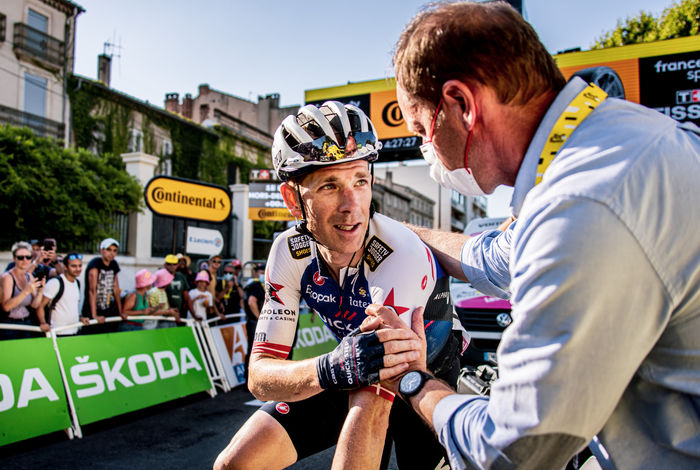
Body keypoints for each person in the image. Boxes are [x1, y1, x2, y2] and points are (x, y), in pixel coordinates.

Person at [361, 2, 700, 469]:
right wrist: (388, 229)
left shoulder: (580, 203)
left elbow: (513, 450)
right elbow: (495, 257)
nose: (425, 150)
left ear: (462, 105)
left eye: (422, 128)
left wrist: (417, 382)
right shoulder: (611, 141)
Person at [214, 101, 465, 470]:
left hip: (426, 375)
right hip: (353, 365)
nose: (352, 206)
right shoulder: (288, 252)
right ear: (293, 200)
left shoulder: (398, 254)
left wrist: (341, 367)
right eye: (330, 185)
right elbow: (260, 375)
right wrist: (329, 368)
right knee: (234, 465)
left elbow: (374, 405)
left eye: (360, 182)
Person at [36, 253, 89, 336]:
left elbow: (70, 307)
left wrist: (80, 318)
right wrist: (43, 323)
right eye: (73, 266)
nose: (78, 269)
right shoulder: (55, 283)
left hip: (74, 332)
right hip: (58, 333)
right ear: (65, 267)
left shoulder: (77, 283)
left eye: (80, 266)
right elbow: (40, 305)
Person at [0, 242, 45, 339]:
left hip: (26, 323)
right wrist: (25, 292)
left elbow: (34, 305)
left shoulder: (29, 276)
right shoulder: (7, 277)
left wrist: (40, 291)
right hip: (9, 325)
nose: (25, 260)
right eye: (20, 257)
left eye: (28, 257)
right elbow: (6, 307)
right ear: (14, 259)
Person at [84, 238, 123, 333]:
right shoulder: (95, 264)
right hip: (92, 310)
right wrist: (94, 315)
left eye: (114, 250)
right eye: (109, 250)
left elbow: (116, 288)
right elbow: (92, 291)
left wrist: (120, 311)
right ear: (102, 250)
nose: (112, 253)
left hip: (107, 309)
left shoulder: (114, 264)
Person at [241, 262, 265, 385]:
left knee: (252, 350)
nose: (263, 274)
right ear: (255, 273)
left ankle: (249, 380)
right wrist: (260, 318)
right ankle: (251, 381)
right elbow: (251, 302)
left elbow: (244, 301)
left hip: (251, 321)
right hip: (255, 323)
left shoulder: (250, 285)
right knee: (256, 352)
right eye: (261, 272)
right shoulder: (256, 285)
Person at [163, 254, 190, 318]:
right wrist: (169, 311)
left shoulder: (181, 276)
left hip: (180, 312)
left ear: (177, 265)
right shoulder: (160, 276)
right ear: (165, 265)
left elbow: (187, 297)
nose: (172, 266)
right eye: (169, 264)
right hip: (164, 315)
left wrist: (193, 314)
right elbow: (160, 295)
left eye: (174, 264)